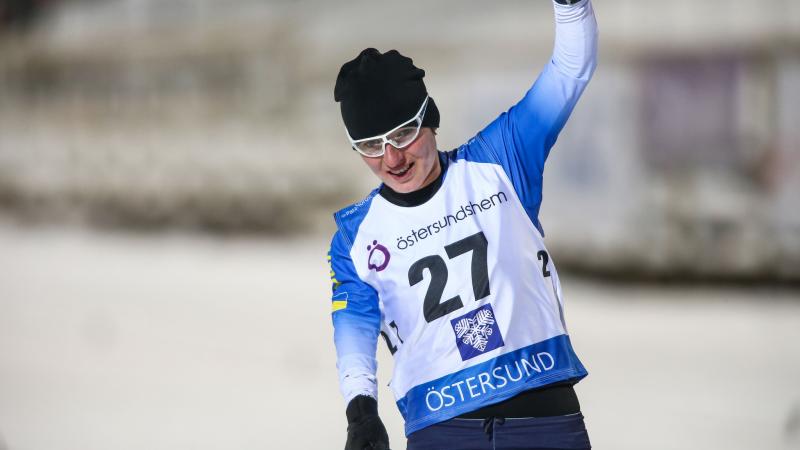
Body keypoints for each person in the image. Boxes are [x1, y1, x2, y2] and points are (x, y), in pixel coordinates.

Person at [327, 0, 598, 448]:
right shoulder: (355, 238)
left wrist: (570, 6)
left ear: (429, 119)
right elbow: (353, 326)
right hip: (442, 430)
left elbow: (570, 71)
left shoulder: (501, 160)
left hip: (543, 418)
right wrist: (361, 411)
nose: (392, 158)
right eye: (371, 145)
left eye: (402, 134)